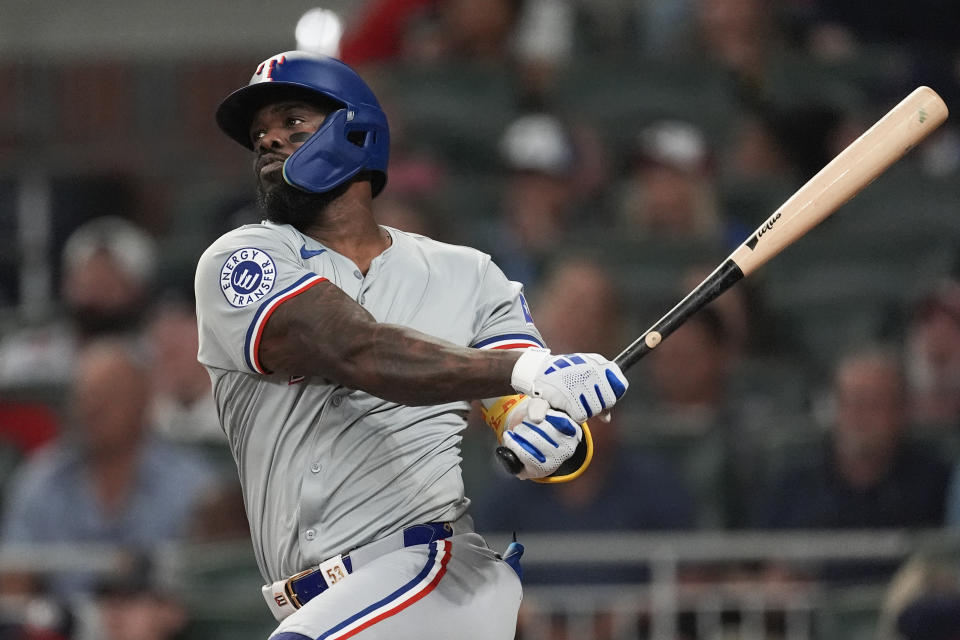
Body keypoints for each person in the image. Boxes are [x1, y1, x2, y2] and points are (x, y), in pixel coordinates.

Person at [195, 51, 629, 640]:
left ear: (356, 130)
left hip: (431, 573)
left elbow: (519, 415)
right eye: (259, 135)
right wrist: (527, 370)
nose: (269, 141)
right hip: (325, 601)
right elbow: (357, 350)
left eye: (292, 122)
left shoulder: (468, 274)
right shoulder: (241, 259)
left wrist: (548, 440)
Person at [0, 339, 217, 598]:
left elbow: (206, 590)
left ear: (143, 402)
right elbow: (12, 576)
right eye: (85, 396)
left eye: (108, 395)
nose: (93, 408)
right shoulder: (41, 480)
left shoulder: (192, 486)